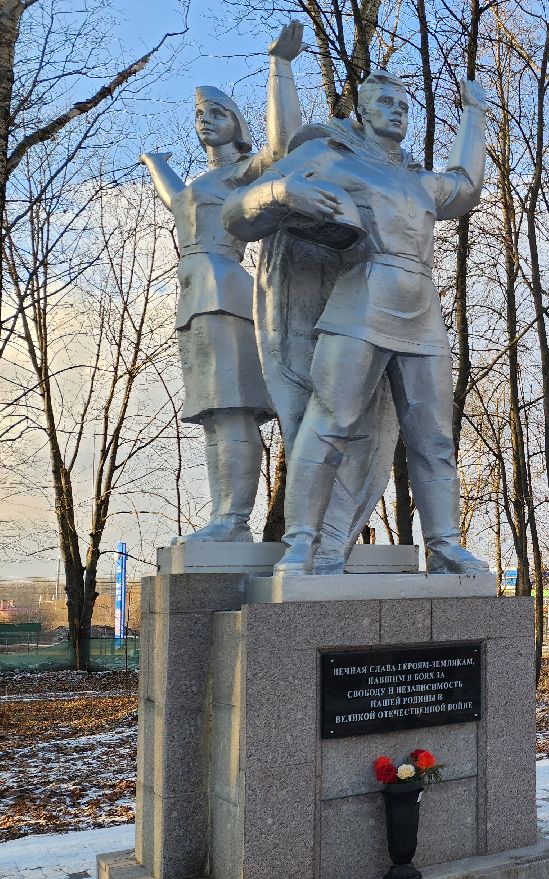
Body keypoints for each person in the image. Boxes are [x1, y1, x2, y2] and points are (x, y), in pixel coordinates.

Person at [222, 69, 489, 576]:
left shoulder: (417, 180)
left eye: (404, 105)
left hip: (422, 312)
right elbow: (237, 213)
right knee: (330, 423)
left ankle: (445, 544)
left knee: (433, 436)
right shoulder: (331, 157)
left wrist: (474, 114)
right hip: (360, 301)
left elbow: (467, 186)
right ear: (362, 112)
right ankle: (302, 541)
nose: (398, 111)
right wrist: (281, 194)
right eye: (385, 102)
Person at [139, 23, 304, 542]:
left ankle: (233, 520)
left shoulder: (239, 174)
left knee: (232, 408)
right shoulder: (199, 183)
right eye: (199, 116)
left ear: (236, 124)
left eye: (216, 114)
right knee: (213, 413)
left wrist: (280, 67)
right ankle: (222, 517)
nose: (205, 123)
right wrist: (156, 165)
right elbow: (178, 202)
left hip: (224, 289)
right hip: (192, 298)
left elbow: (281, 148)